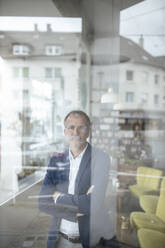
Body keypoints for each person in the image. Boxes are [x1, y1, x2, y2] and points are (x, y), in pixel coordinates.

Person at [38, 110, 110, 248]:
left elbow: (94, 202)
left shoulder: (100, 159)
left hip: (87, 241)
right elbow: (43, 201)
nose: (75, 132)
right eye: (71, 127)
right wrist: (75, 213)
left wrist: (58, 198)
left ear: (88, 131)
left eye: (81, 127)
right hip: (59, 239)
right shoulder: (56, 160)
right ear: (65, 131)